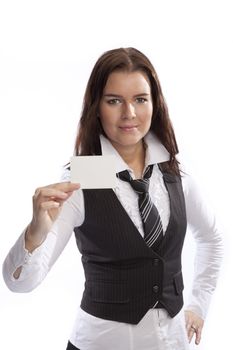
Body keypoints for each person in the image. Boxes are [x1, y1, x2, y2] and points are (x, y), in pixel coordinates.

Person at [2, 47, 223, 350]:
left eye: (140, 100)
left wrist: (199, 305)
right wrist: (34, 233)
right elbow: (20, 282)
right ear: (97, 107)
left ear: (155, 104)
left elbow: (212, 238)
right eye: (114, 100)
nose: (129, 113)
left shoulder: (174, 171)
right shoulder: (82, 177)